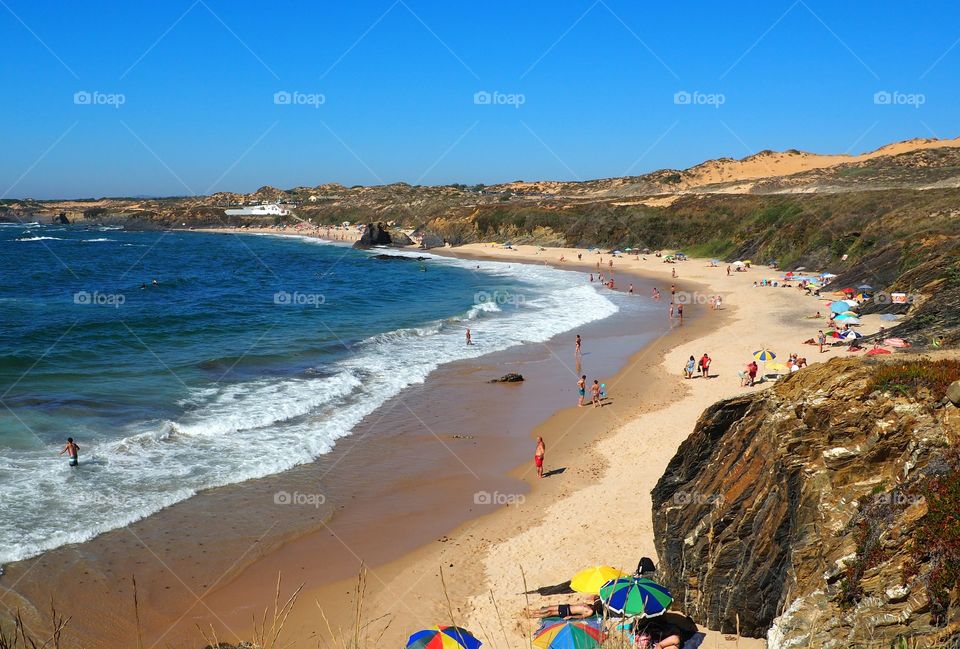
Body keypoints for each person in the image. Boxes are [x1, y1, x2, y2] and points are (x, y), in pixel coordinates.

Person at [526, 597, 603, 620]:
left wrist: (571, 617)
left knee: (550, 613)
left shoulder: (590, 611)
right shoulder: (590, 605)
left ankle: (534, 616)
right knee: (549, 608)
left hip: (568, 612)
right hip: (567, 606)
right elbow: (595, 597)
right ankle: (533, 611)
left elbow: (582, 616)